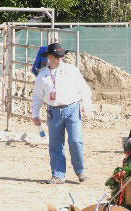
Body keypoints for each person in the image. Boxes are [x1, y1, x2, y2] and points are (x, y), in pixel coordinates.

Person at [32, 42, 92, 184]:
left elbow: (84, 89)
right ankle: (58, 174)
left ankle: (80, 171)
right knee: (55, 144)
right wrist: (35, 114)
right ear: (49, 57)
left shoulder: (72, 70)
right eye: (56, 56)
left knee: (75, 141)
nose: (59, 59)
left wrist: (86, 105)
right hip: (54, 111)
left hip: (72, 108)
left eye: (61, 56)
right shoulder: (43, 75)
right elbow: (37, 96)